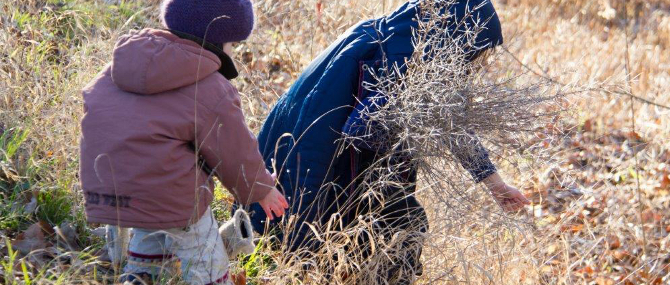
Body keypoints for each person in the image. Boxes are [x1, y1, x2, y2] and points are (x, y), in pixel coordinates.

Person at [244, 0, 529, 283]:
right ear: (451, 43)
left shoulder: (391, 42)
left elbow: (453, 124)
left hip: (298, 163)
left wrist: (495, 184)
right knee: (403, 226)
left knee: (394, 226)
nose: (469, 64)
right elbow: (361, 127)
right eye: (469, 54)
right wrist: (409, 136)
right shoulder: (398, 67)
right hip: (317, 167)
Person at [78, 0, 288, 284]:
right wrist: (260, 188)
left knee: (150, 230)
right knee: (206, 258)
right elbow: (234, 150)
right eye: (232, 45)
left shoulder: (117, 68)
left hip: (110, 191)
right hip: (173, 199)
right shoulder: (211, 88)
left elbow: (95, 111)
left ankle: (140, 276)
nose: (232, 53)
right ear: (216, 41)